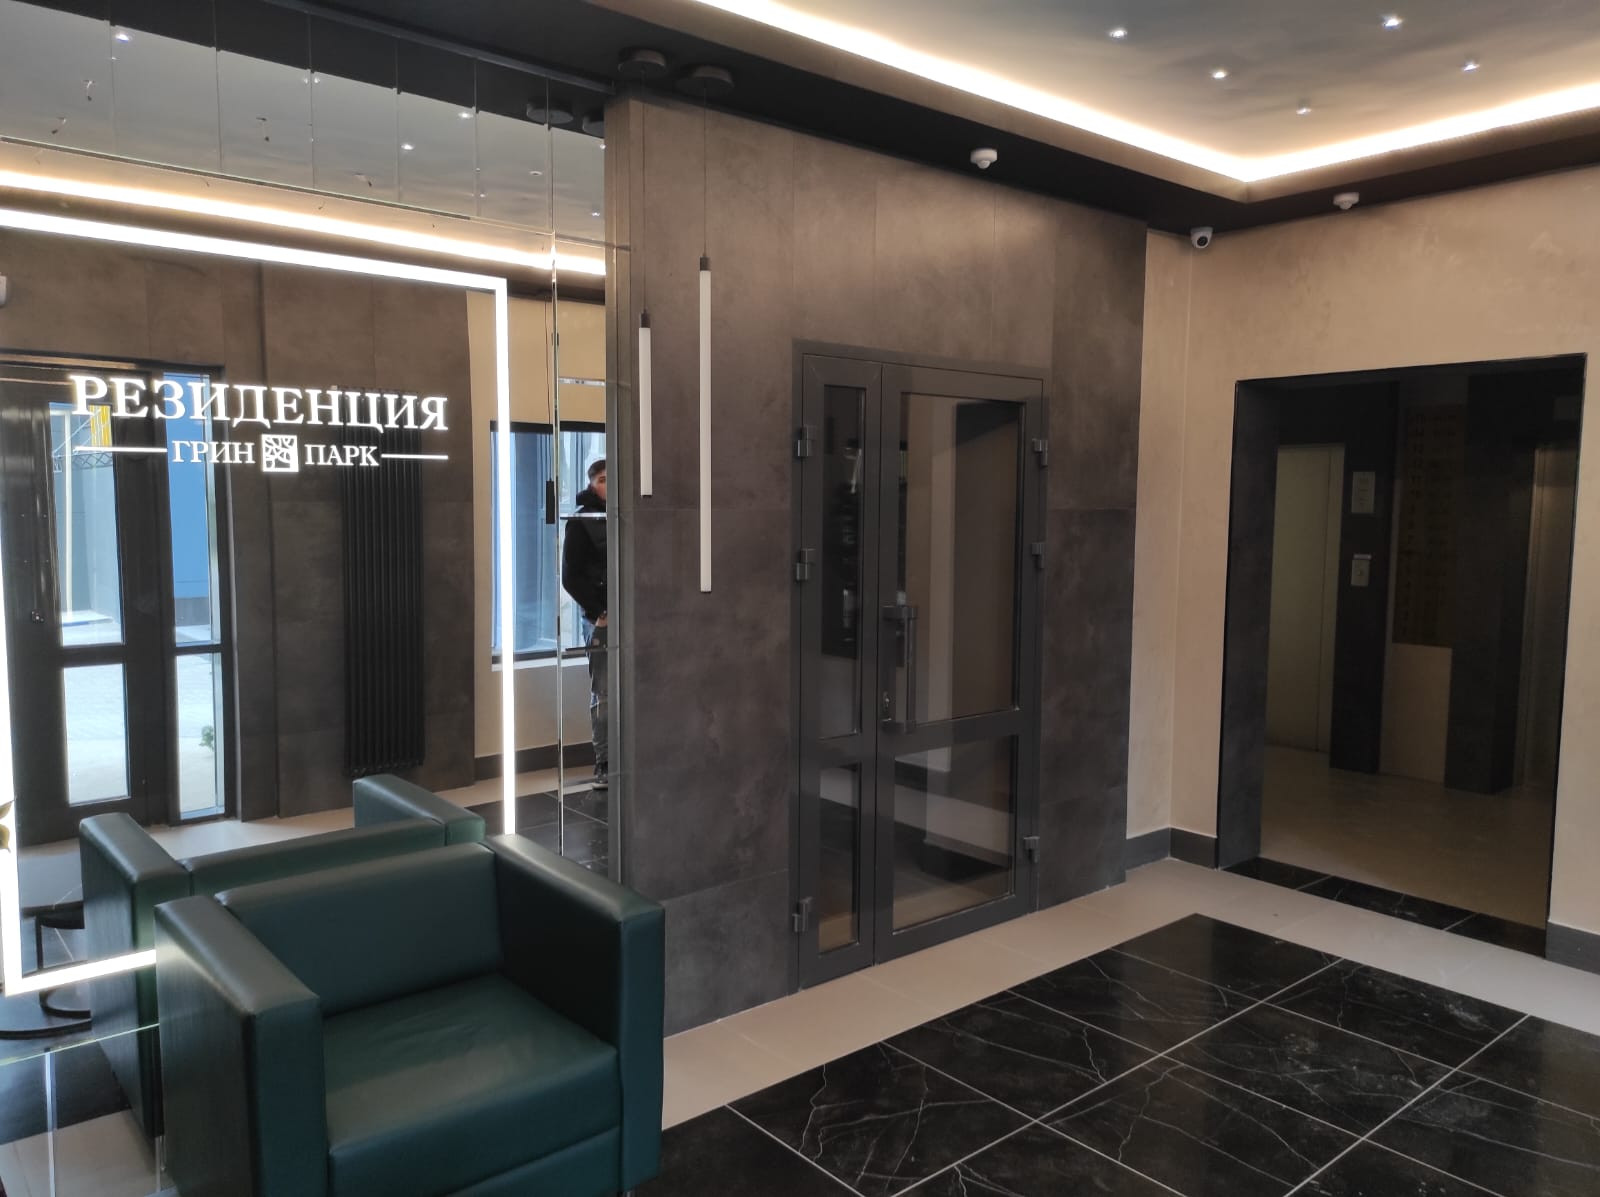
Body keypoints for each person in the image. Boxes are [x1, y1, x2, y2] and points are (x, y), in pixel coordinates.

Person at [562, 458, 608, 790]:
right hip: (601, 621)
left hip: (636, 614)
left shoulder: (629, 515)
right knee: (604, 692)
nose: (609, 485)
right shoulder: (581, 521)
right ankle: (605, 763)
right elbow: (571, 576)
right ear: (591, 484)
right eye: (602, 480)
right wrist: (599, 611)